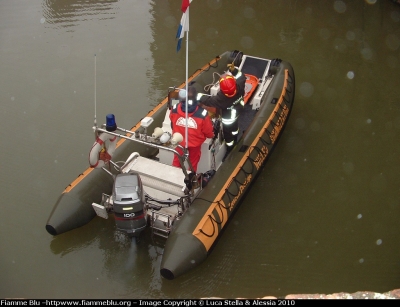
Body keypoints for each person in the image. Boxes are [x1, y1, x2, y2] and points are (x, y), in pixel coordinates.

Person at [198, 62, 246, 161]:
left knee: (228, 134)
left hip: (228, 118)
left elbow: (207, 100)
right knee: (235, 127)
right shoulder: (239, 85)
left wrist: (194, 95)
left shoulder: (221, 99)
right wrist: (234, 70)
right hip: (239, 108)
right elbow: (241, 76)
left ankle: (230, 148)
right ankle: (236, 134)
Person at [169, 85, 214, 172]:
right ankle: (191, 178)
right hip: (195, 144)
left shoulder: (174, 109)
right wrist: (212, 135)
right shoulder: (202, 114)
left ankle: (174, 177)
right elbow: (208, 132)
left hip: (179, 142)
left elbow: (172, 120)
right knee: (193, 163)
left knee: (177, 161)